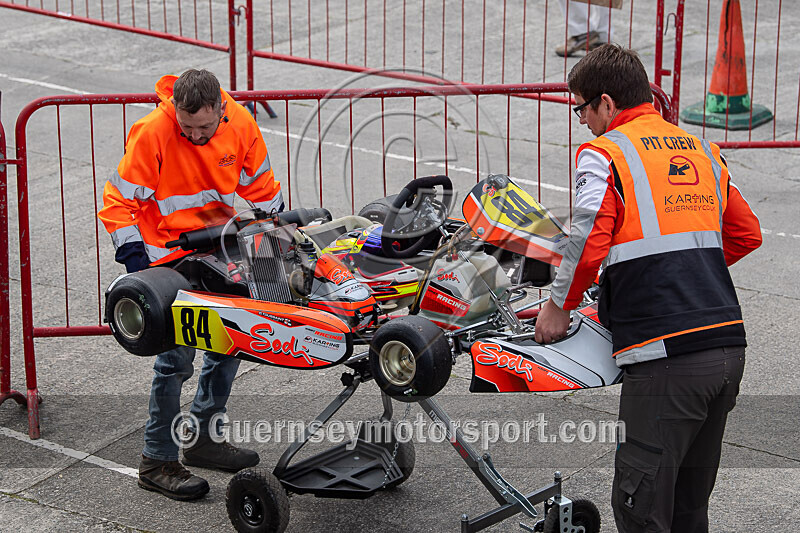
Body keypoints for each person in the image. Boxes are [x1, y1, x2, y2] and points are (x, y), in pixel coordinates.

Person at [534, 44, 761, 532]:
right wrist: (681, 270)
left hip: (667, 359)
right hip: (726, 349)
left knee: (641, 510)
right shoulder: (700, 149)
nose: (582, 121)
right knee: (687, 508)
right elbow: (746, 233)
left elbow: (589, 232)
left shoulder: (606, 152)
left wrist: (558, 306)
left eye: (582, 109)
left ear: (608, 104)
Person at [99, 69, 284, 501]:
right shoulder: (153, 131)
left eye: (204, 127)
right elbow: (117, 201)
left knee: (229, 344)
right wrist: (139, 266)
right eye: (187, 127)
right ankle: (157, 460)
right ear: (175, 113)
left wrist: (274, 253)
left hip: (218, 248)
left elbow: (263, 194)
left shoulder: (241, 124)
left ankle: (203, 438)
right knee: (175, 363)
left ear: (222, 107)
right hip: (164, 259)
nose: (197, 136)